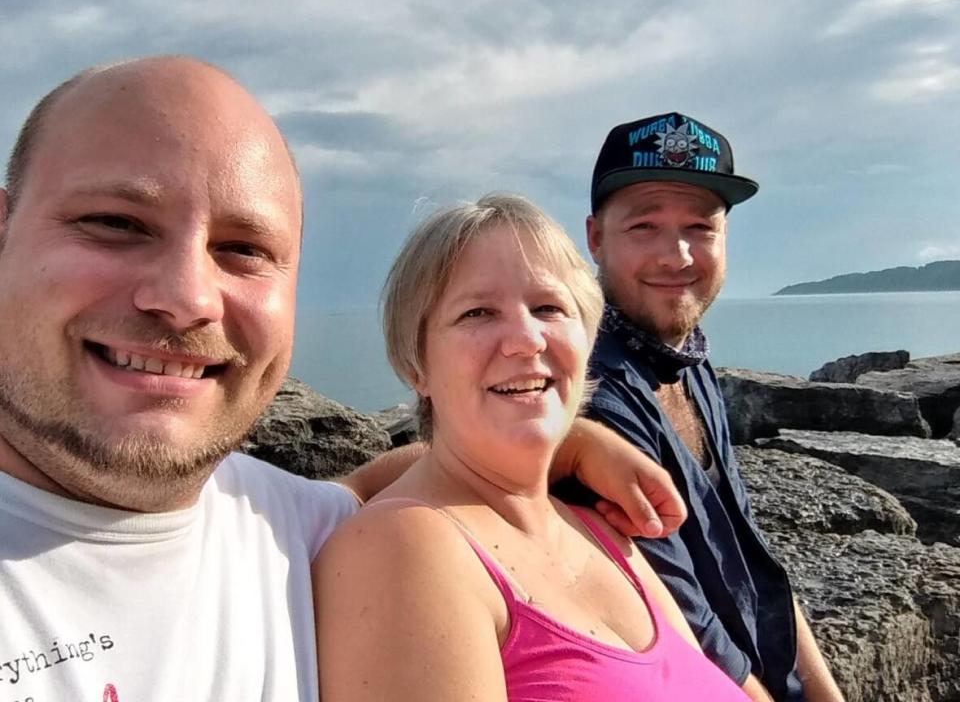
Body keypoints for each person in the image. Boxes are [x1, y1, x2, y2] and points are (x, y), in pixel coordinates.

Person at [0, 58, 684, 701]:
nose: (187, 297)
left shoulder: (295, 523)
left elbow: (422, 475)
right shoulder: (375, 549)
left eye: (243, 249)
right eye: (114, 224)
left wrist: (568, 443)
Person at [316, 194, 753, 702]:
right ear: (417, 364)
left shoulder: (603, 533)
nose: (526, 339)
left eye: (548, 307)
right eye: (477, 312)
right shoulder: (403, 546)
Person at [582, 112, 844, 701]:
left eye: (700, 227)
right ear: (596, 237)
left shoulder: (689, 358)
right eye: (645, 225)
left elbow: (749, 550)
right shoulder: (585, 391)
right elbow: (683, 623)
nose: (676, 256)